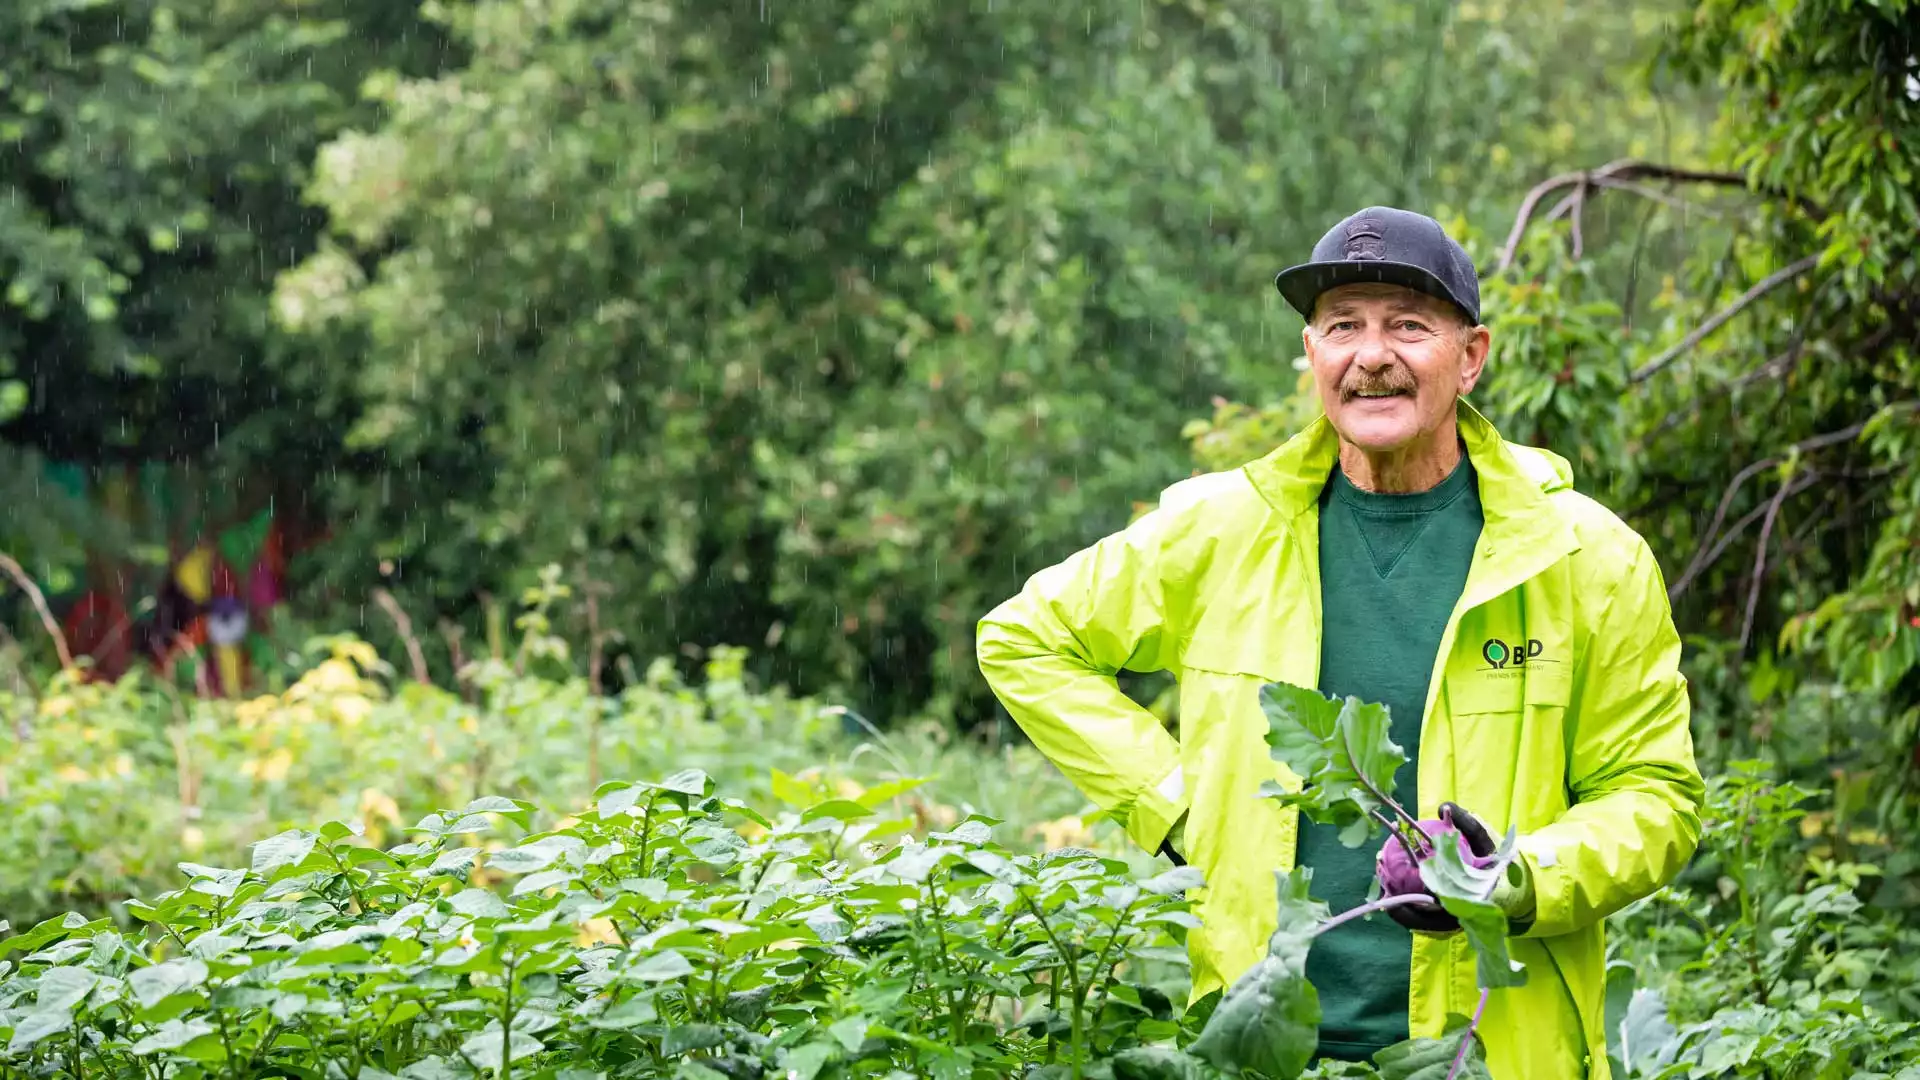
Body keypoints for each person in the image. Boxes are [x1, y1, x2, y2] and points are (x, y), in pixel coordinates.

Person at [976, 207, 1703, 1079]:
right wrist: (1176, 802)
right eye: (1342, 327)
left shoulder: (1586, 557)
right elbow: (1026, 638)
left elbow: (1655, 797)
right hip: (1262, 1046)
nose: (1372, 355)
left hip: (1490, 1049)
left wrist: (1515, 878)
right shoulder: (1222, 529)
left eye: (1408, 326)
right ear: (1313, 356)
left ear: (1471, 356)